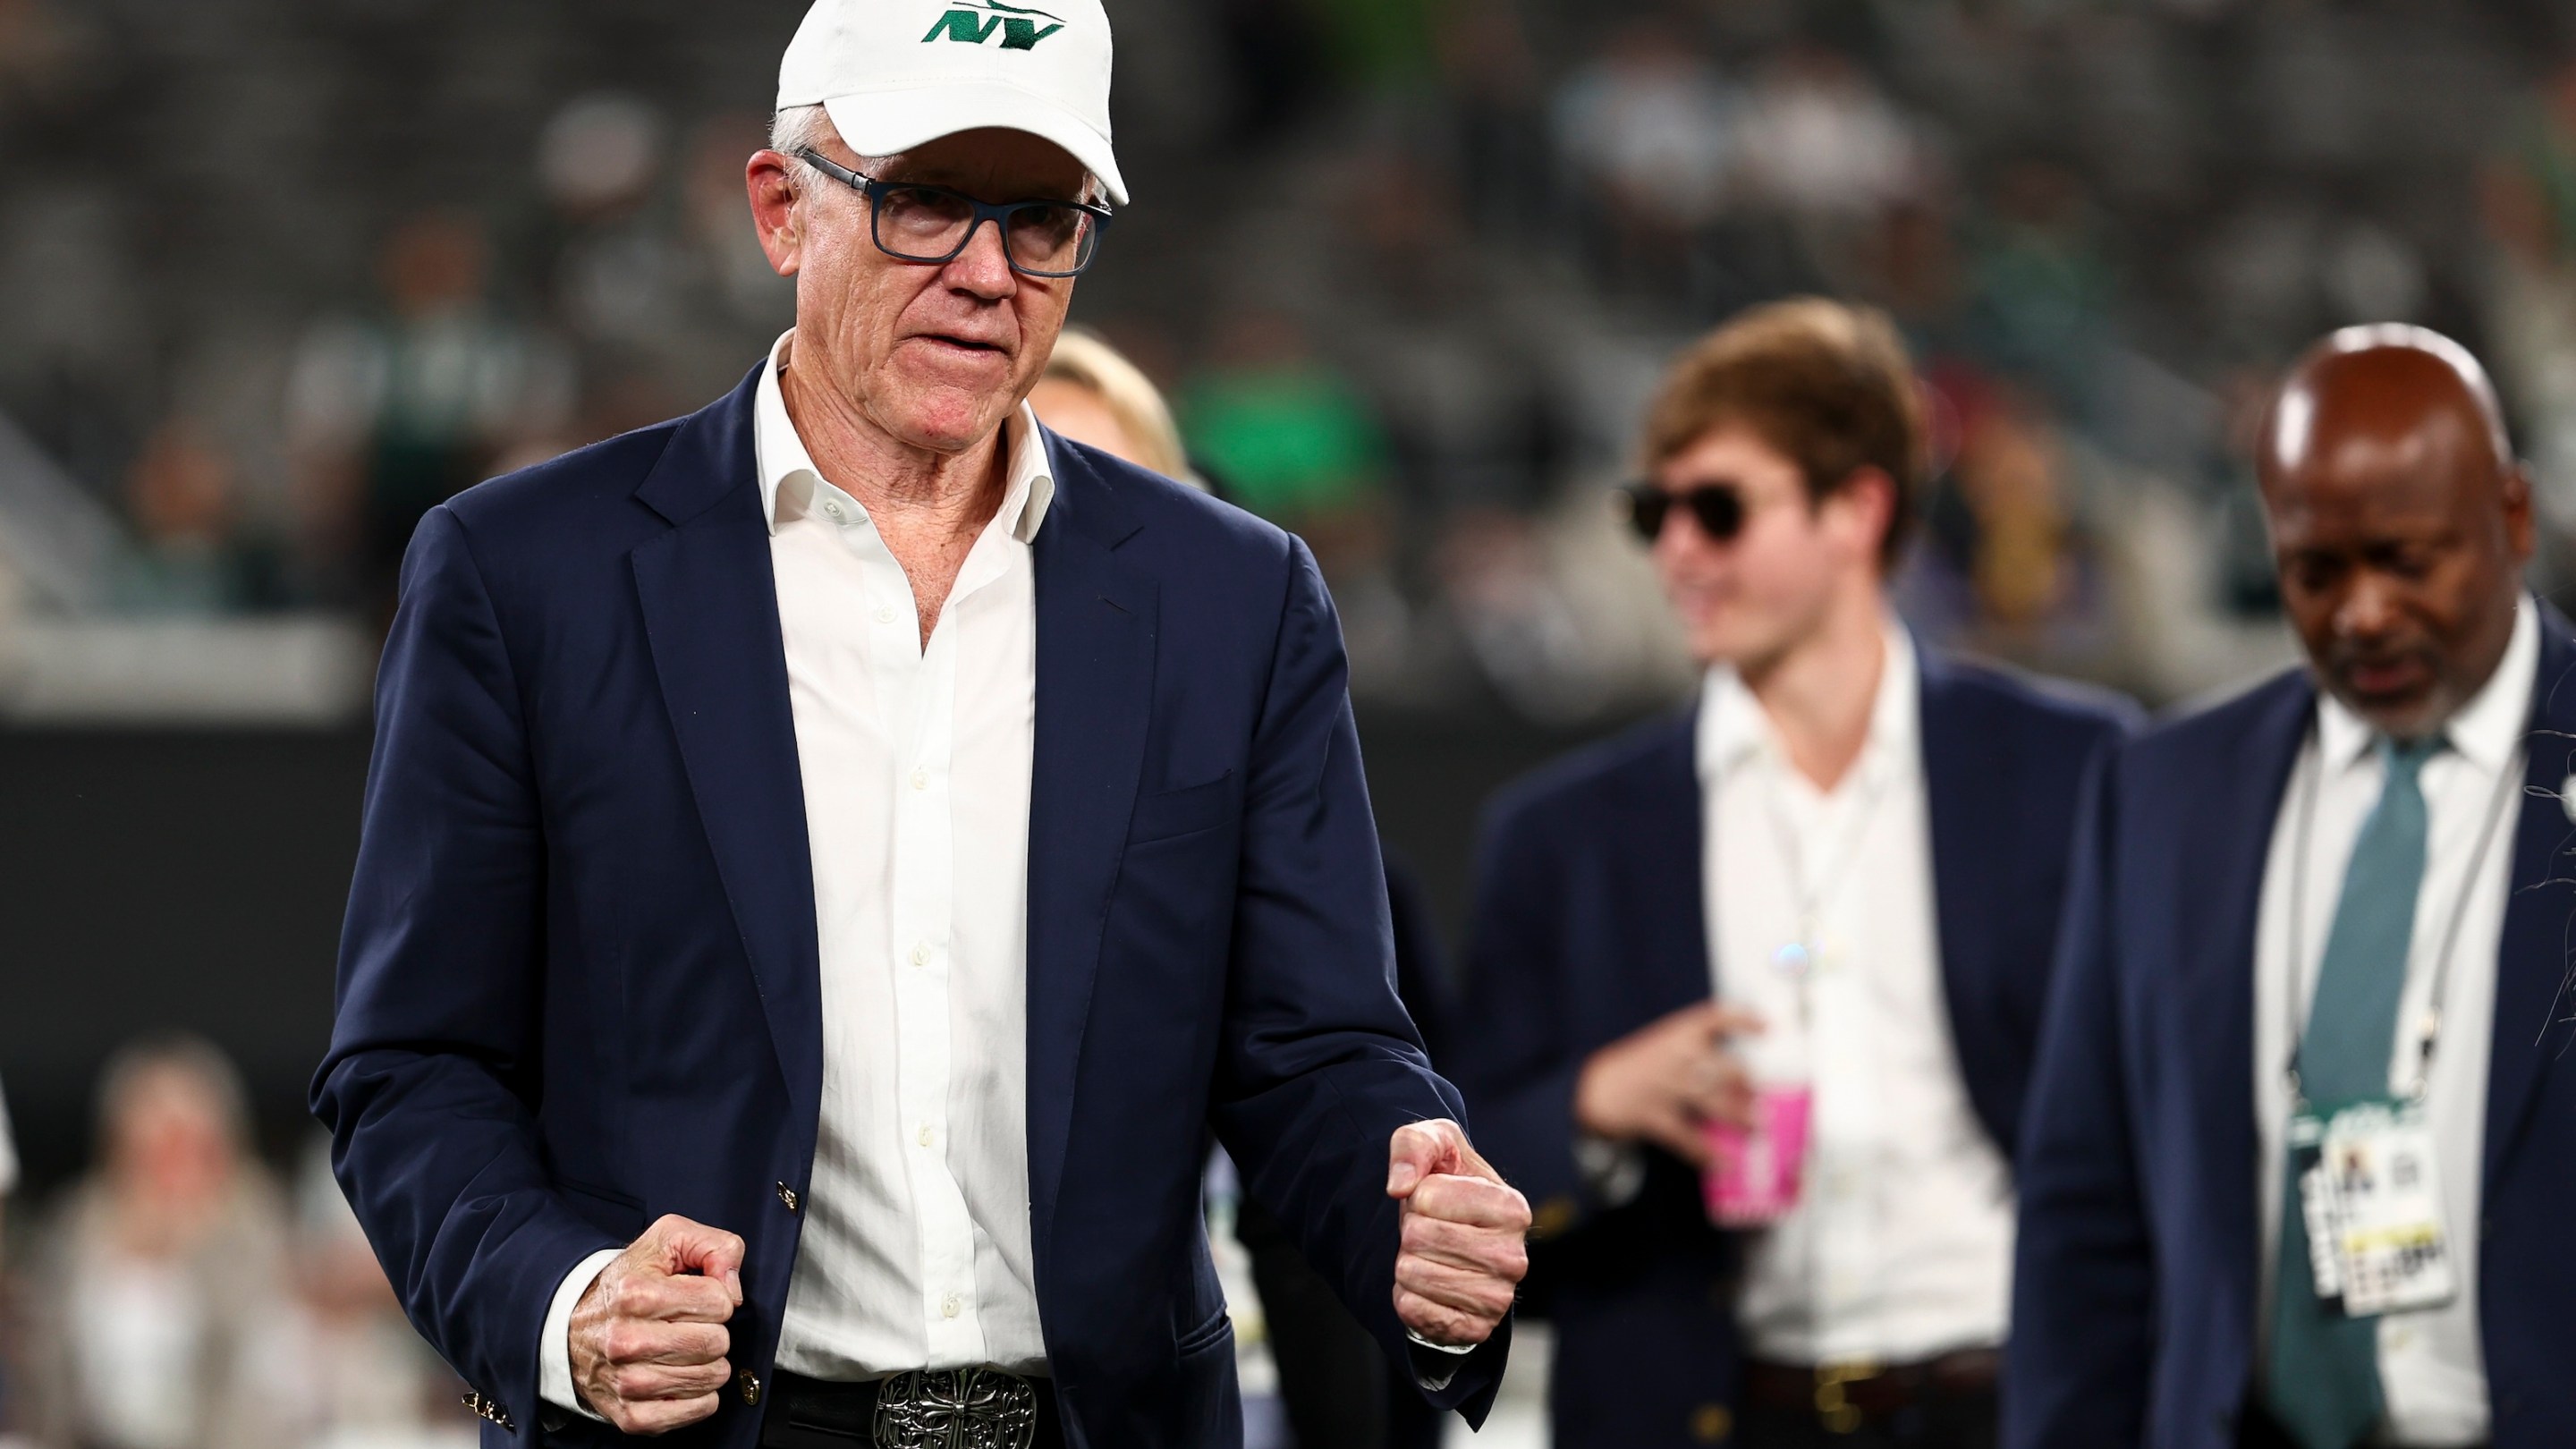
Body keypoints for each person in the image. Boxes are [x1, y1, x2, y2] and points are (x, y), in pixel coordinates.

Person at [310, 4, 1530, 1446]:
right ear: (781, 211)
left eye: (1040, 220)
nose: (985, 274)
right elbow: (413, 1068)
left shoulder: (1234, 596)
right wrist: (561, 1300)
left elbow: (1316, 1052)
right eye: (928, 205)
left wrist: (1415, 1214)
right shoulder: (526, 576)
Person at [1448, 298, 2134, 1449]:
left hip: (2020, 1407)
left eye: (1717, 509)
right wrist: (1593, 1106)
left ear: (1857, 509)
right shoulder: (1563, 838)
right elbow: (1460, 1165)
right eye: (1650, 513)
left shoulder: (2074, 772)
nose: (1675, 550)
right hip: (1711, 1412)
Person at [2008, 326, 2576, 1449]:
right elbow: (2085, 1212)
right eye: (2318, 570)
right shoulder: (2164, 793)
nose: (2362, 613)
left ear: (2513, 517)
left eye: (2409, 561)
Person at [20, 1037, 296, 1449]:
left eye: (190, 1145)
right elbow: (48, 1366)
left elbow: (258, 1356)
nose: (174, 1169)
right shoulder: (79, 1223)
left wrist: (191, 1247)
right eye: (159, 1148)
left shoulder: (254, 1223)